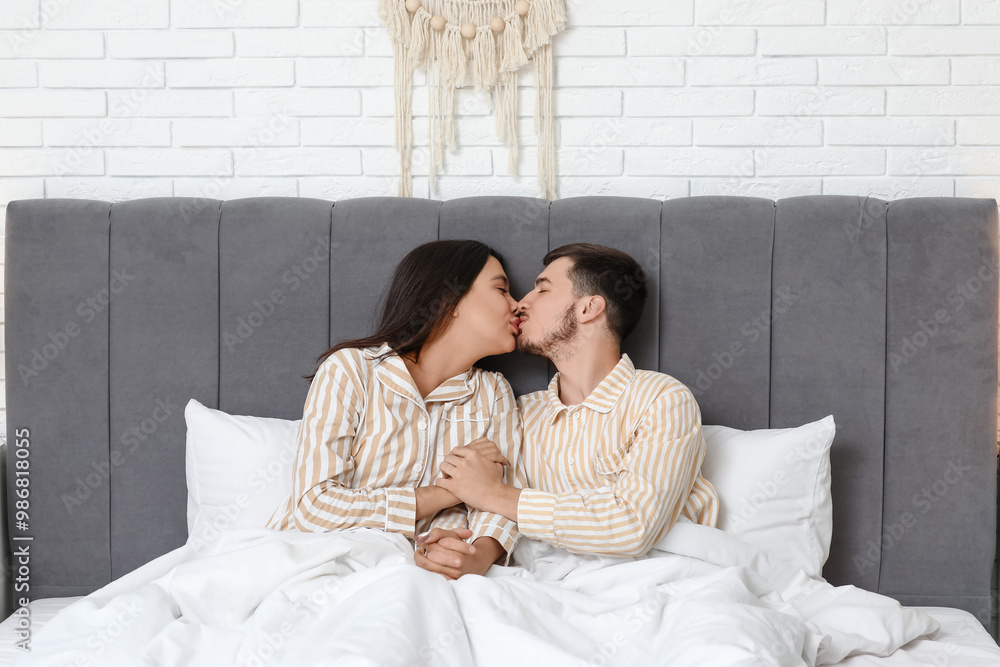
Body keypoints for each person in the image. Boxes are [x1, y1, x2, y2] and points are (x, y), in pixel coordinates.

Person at [430, 243, 720, 559]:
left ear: (588, 308)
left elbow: (632, 528)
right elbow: (479, 503)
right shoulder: (521, 413)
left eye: (541, 290)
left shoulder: (662, 399)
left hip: (659, 576)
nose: (520, 304)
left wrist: (496, 494)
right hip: (549, 583)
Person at [267, 239, 523, 578]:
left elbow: (500, 503)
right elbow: (314, 508)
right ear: (450, 299)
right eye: (501, 290)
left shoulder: (493, 394)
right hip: (313, 559)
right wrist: (449, 490)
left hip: (414, 572)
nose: (517, 305)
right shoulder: (351, 370)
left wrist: (475, 555)